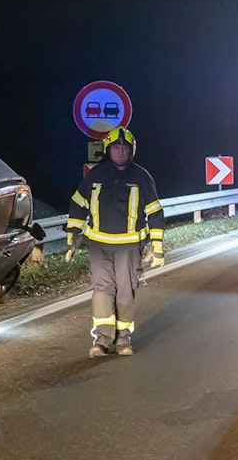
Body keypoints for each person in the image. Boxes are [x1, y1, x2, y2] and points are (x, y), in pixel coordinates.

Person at [65, 127, 166, 358]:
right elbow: (78, 204)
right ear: (108, 150)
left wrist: (157, 246)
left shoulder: (142, 177)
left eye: (124, 148)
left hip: (129, 247)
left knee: (125, 293)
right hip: (99, 246)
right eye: (116, 147)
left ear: (131, 151)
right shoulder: (95, 175)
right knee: (102, 290)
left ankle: (123, 339)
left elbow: (155, 212)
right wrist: (72, 236)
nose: (120, 152)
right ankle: (102, 340)